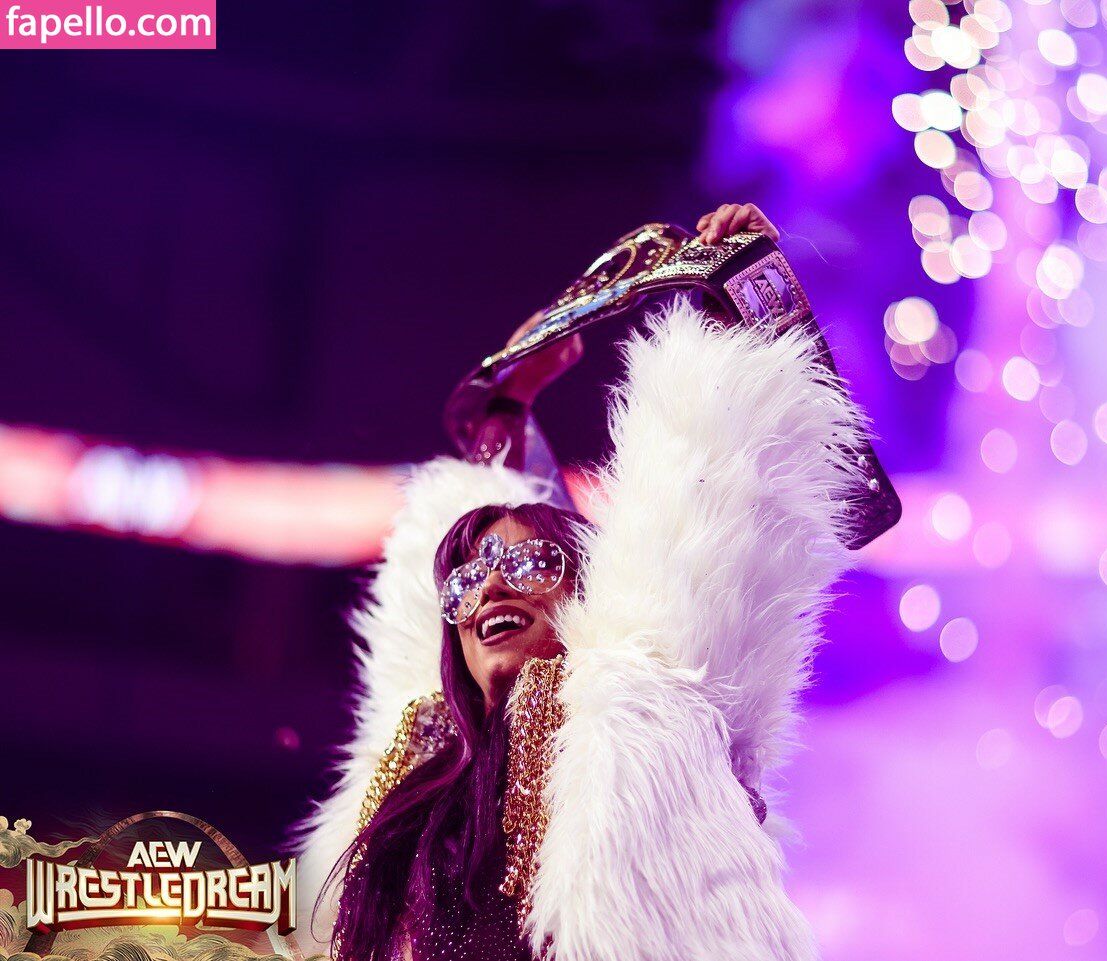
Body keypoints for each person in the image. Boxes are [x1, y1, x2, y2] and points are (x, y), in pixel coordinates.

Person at [291, 202, 870, 961]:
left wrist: (734, 295)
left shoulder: (654, 702)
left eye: (531, 565)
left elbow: (711, 511)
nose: (491, 588)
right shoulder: (420, 756)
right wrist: (504, 405)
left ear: (590, 594)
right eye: (468, 579)